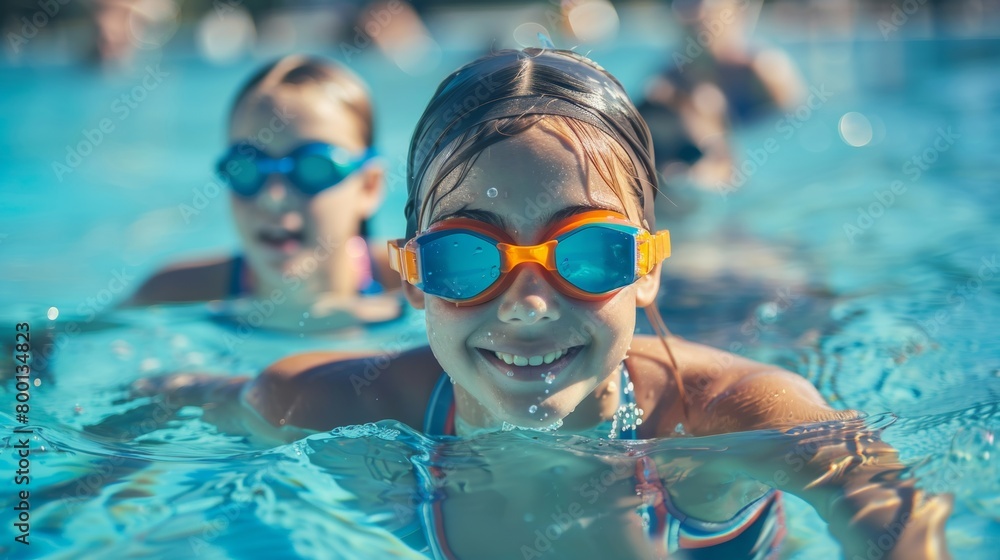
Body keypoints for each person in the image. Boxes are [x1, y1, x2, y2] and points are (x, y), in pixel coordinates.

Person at [135, 48, 951, 559]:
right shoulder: (318, 403)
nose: (527, 304)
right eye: (465, 257)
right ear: (412, 274)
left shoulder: (744, 420)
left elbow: (899, 522)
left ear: (649, 266)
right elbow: (156, 411)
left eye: (589, 253)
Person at [128, 55, 402, 331]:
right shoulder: (168, 298)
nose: (273, 197)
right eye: (246, 169)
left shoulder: (418, 284)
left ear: (369, 186)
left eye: (313, 168)